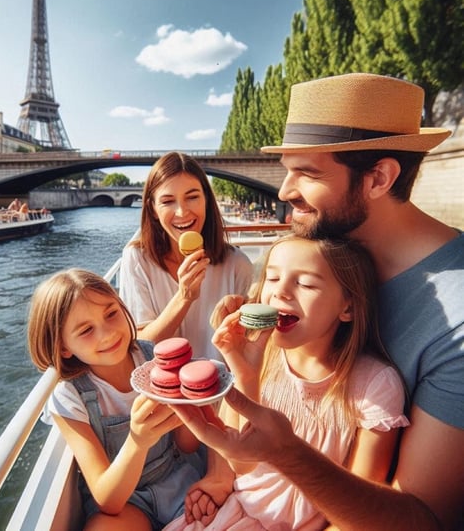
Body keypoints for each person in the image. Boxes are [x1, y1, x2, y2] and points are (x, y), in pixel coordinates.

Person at [172, 73, 464, 530]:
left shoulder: (458, 319)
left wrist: (288, 455)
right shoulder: (314, 260)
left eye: (306, 172)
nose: (285, 191)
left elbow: (424, 520)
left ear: (379, 177)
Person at [165, 235, 408, 530]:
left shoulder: (374, 385)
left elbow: (361, 501)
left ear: (348, 307)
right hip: (241, 511)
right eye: (272, 278)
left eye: (305, 283)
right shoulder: (260, 357)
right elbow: (242, 465)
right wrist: (243, 372)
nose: (280, 292)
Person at [27, 268, 204, 531]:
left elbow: (187, 446)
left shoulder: (154, 359)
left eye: (111, 313)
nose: (107, 334)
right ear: (63, 347)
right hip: (125, 502)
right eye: (86, 330)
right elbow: (108, 501)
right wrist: (138, 441)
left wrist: (189, 400)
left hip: (176, 477)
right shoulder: (69, 397)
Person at [119, 151, 253, 360]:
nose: (182, 212)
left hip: (220, 388)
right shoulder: (136, 259)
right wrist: (184, 297)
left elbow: (246, 349)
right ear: (153, 210)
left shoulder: (238, 264)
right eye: (167, 201)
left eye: (192, 197)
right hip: (161, 391)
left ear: (207, 201)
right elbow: (142, 348)